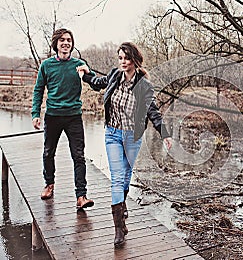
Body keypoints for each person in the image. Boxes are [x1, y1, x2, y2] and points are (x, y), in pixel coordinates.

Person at [77, 42, 172, 247]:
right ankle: (119, 229)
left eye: (126, 58)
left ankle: (122, 207)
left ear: (134, 60)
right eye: (120, 58)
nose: (122, 62)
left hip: (132, 137)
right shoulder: (114, 75)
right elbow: (98, 81)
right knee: (117, 179)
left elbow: (152, 111)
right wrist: (86, 74)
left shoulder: (144, 86)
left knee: (126, 176)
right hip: (112, 133)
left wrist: (165, 134)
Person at [31, 28, 95, 210]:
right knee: (48, 152)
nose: (66, 43)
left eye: (69, 40)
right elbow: (38, 90)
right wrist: (36, 113)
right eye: (62, 40)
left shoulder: (79, 64)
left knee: (79, 156)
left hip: (74, 116)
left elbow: (94, 81)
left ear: (72, 44)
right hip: (53, 116)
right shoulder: (47, 65)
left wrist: (88, 72)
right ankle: (49, 184)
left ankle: (81, 196)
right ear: (56, 44)